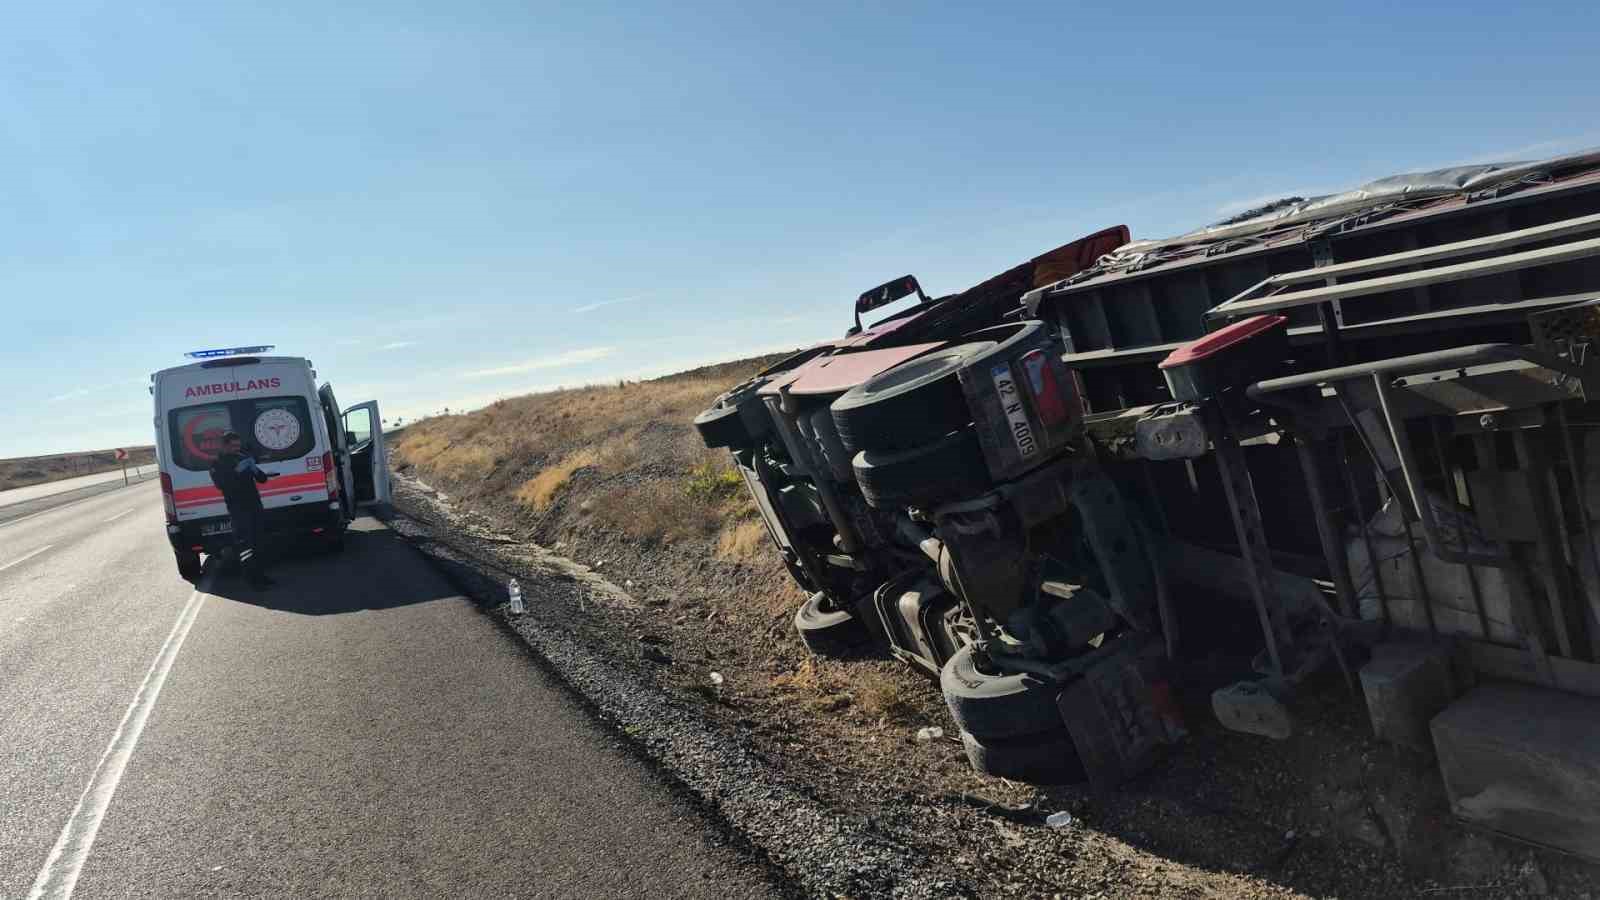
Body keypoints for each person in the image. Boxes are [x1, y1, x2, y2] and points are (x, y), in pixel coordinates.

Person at [209, 431, 276, 588]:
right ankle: (251, 579)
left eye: (238, 445)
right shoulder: (217, 463)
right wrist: (236, 472)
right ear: (224, 446)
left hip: (254, 505)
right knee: (245, 545)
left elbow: (262, 479)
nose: (236, 448)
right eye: (233, 446)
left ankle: (261, 575)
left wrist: (254, 468)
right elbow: (221, 485)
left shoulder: (242, 458)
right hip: (238, 509)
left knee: (259, 543)